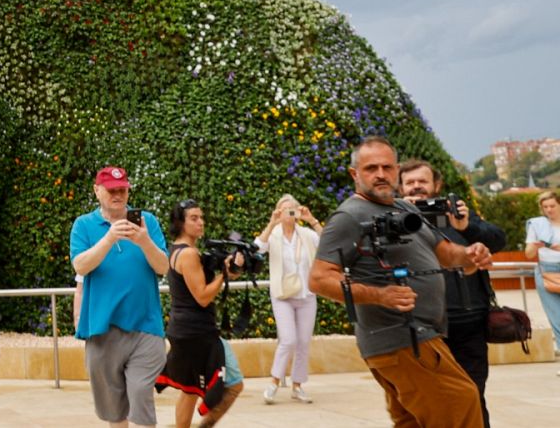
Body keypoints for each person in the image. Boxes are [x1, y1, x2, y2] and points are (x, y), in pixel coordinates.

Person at [308, 137, 491, 428]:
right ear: (355, 174)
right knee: (461, 403)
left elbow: (443, 253)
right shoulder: (349, 216)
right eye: (371, 168)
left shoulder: (406, 208)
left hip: (416, 335)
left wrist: (470, 254)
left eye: (387, 167)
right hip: (403, 337)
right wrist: (380, 296)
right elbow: (319, 279)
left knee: (412, 421)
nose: (380, 174)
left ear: (397, 171)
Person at [400, 159, 505, 426]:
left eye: (422, 182)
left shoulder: (455, 215)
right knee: (427, 401)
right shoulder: (391, 219)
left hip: (467, 323)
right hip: (420, 327)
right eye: (409, 183)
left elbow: (498, 240)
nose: (416, 188)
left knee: (472, 394)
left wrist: (467, 227)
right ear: (399, 188)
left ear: (436, 185)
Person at [71, 165, 169, 428]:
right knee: (115, 412)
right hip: (102, 330)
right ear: (97, 191)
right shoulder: (84, 225)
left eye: (122, 189)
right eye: (111, 190)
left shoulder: (147, 222)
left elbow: (163, 267)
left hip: (145, 327)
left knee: (140, 392)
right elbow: (80, 265)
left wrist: (145, 241)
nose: (118, 194)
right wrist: (108, 238)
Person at [155, 200, 244, 428]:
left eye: (201, 217)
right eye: (194, 218)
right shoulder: (188, 254)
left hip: (183, 331)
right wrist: (223, 275)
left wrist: (225, 271)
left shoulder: (176, 250)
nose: (200, 222)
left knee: (189, 389)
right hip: (198, 333)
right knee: (234, 385)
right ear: (181, 223)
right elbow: (203, 296)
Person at [252, 194, 322, 404]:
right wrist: (272, 222)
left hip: (306, 295)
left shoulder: (306, 234)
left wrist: (311, 220)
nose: (288, 213)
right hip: (282, 295)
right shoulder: (273, 235)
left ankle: (297, 386)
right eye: (283, 209)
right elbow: (257, 248)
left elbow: (328, 242)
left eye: (292, 209)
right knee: (288, 339)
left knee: (303, 342)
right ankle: (274, 381)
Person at [525, 189, 560, 377]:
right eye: (545, 207)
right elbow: (529, 254)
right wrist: (535, 244)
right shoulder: (538, 225)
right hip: (547, 271)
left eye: (552, 206)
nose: (549, 210)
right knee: (557, 319)